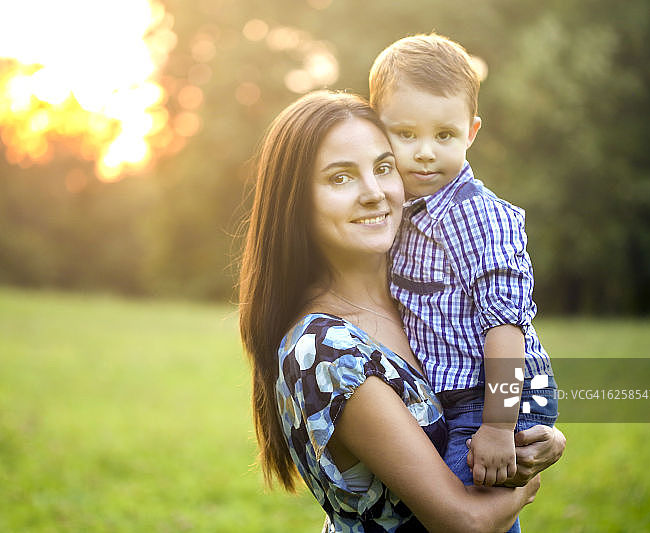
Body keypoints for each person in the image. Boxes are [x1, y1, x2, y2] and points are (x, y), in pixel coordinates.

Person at [239, 90, 565, 532]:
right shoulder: (324, 351)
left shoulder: (428, 299)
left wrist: (537, 438)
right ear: (295, 202)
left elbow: (490, 390)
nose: (374, 193)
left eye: (383, 167)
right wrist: (527, 485)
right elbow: (464, 523)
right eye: (340, 178)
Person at [369, 34, 558, 531]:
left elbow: (506, 326)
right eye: (405, 134)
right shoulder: (403, 210)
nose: (425, 153)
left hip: (490, 394)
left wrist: (498, 424)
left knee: (466, 509)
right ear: (376, 127)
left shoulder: (476, 217)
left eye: (444, 136)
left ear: (471, 132)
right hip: (459, 395)